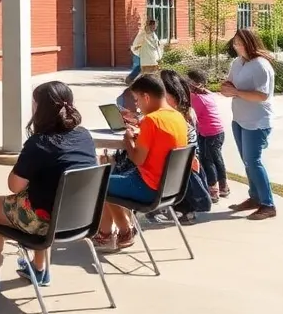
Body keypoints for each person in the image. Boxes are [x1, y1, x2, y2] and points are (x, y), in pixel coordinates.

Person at [0, 81, 96, 292]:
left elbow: (15, 186)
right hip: (80, 218)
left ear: (41, 109)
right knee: (41, 195)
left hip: (46, 222)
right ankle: (39, 269)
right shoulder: (84, 135)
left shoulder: (39, 143)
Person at [92, 74, 187, 250]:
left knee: (99, 184)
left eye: (136, 100)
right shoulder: (177, 116)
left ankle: (112, 233)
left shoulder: (151, 120)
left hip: (148, 187)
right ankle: (122, 228)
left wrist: (128, 139)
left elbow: (137, 159)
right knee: (113, 177)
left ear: (146, 97)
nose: (137, 105)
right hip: (169, 187)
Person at [221, 28, 277, 221]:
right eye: (234, 42)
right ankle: (254, 198)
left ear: (249, 43)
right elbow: (229, 85)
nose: (236, 46)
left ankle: (268, 204)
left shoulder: (261, 65)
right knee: (247, 162)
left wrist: (235, 92)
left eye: (239, 42)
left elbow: (262, 95)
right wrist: (226, 88)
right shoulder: (237, 63)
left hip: (257, 121)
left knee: (254, 161)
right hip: (239, 119)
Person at [159, 69, 212, 223]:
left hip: (181, 165)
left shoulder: (175, 116)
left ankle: (181, 210)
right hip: (188, 161)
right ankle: (184, 210)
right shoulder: (186, 110)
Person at [187, 68, 229, 199]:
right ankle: (222, 186)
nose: (187, 84)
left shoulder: (198, 99)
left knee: (208, 160)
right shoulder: (207, 94)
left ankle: (214, 189)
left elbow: (191, 117)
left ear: (198, 84)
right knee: (215, 159)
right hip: (210, 133)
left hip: (212, 134)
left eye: (190, 81)